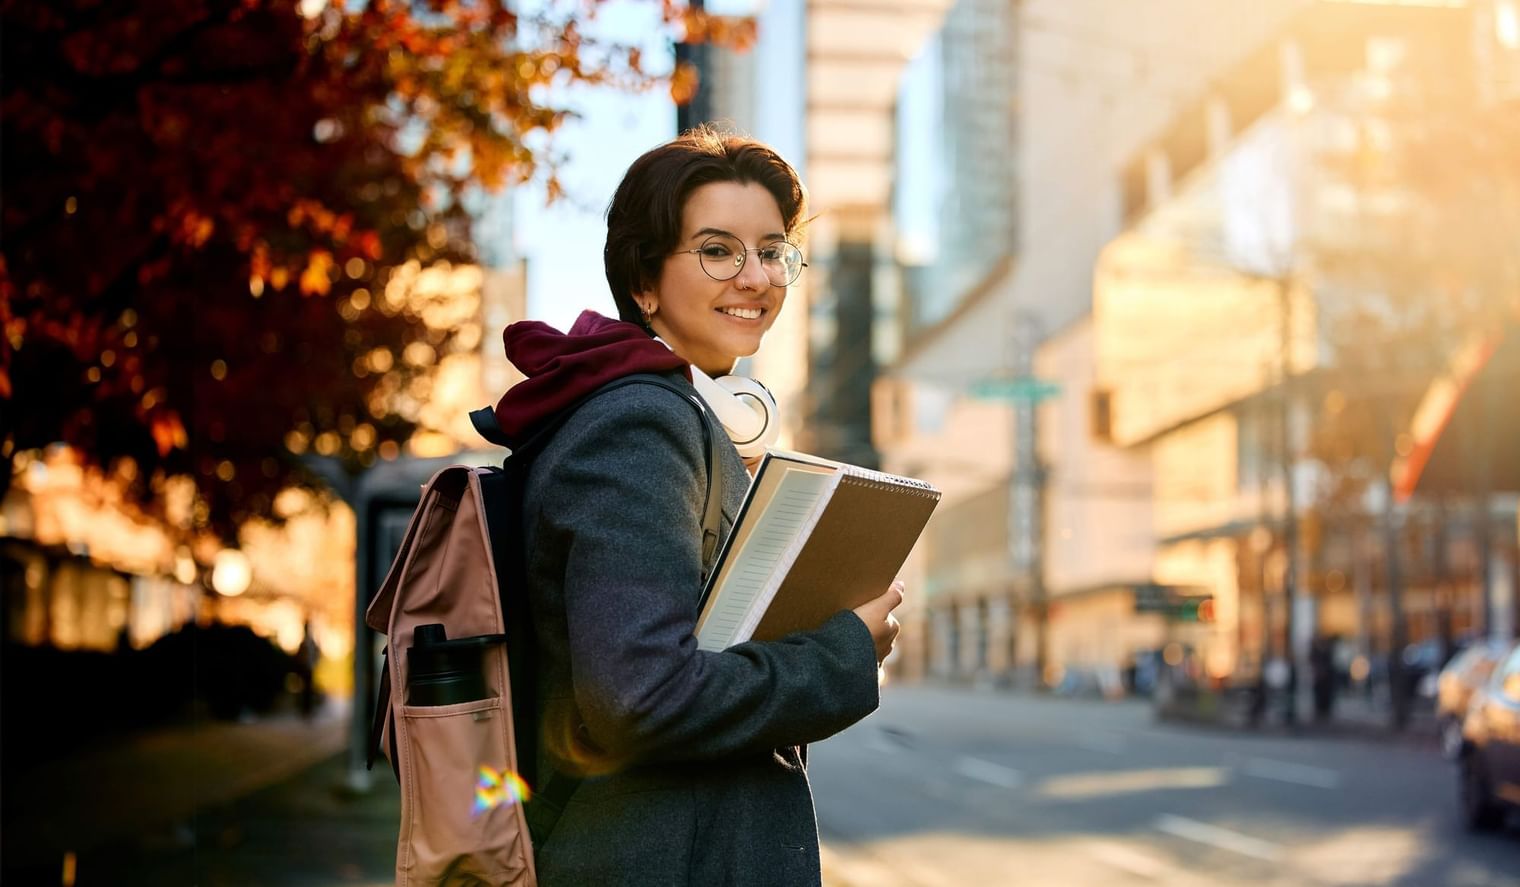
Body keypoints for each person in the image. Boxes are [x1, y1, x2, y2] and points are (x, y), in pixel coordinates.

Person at [487, 127, 903, 886]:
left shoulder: (663, 409)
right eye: (717, 250)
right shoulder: (640, 423)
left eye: (772, 251)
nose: (755, 277)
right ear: (644, 280)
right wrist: (842, 649)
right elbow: (641, 695)